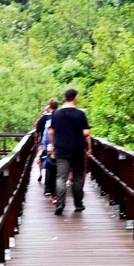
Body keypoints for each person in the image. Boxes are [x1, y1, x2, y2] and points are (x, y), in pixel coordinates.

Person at [47, 87, 92, 215]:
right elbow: (86, 132)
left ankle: (60, 204)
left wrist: (52, 145)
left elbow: (51, 131)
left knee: (61, 177)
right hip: (77, 150)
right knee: (77, 177)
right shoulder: (80, 114)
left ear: (65, 98)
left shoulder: (56, 114)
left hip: (61, 150)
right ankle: (78, 204)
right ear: (75, 98)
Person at [34, 98, 58, 196]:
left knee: (49, 164)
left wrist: (37, 143)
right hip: (60, 146)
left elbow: (38, 130)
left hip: (48, 144)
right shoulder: (60, 116)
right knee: (58, 167)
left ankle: (46, 184)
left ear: (49, 106)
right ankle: (56, 190)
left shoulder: (44, 118)